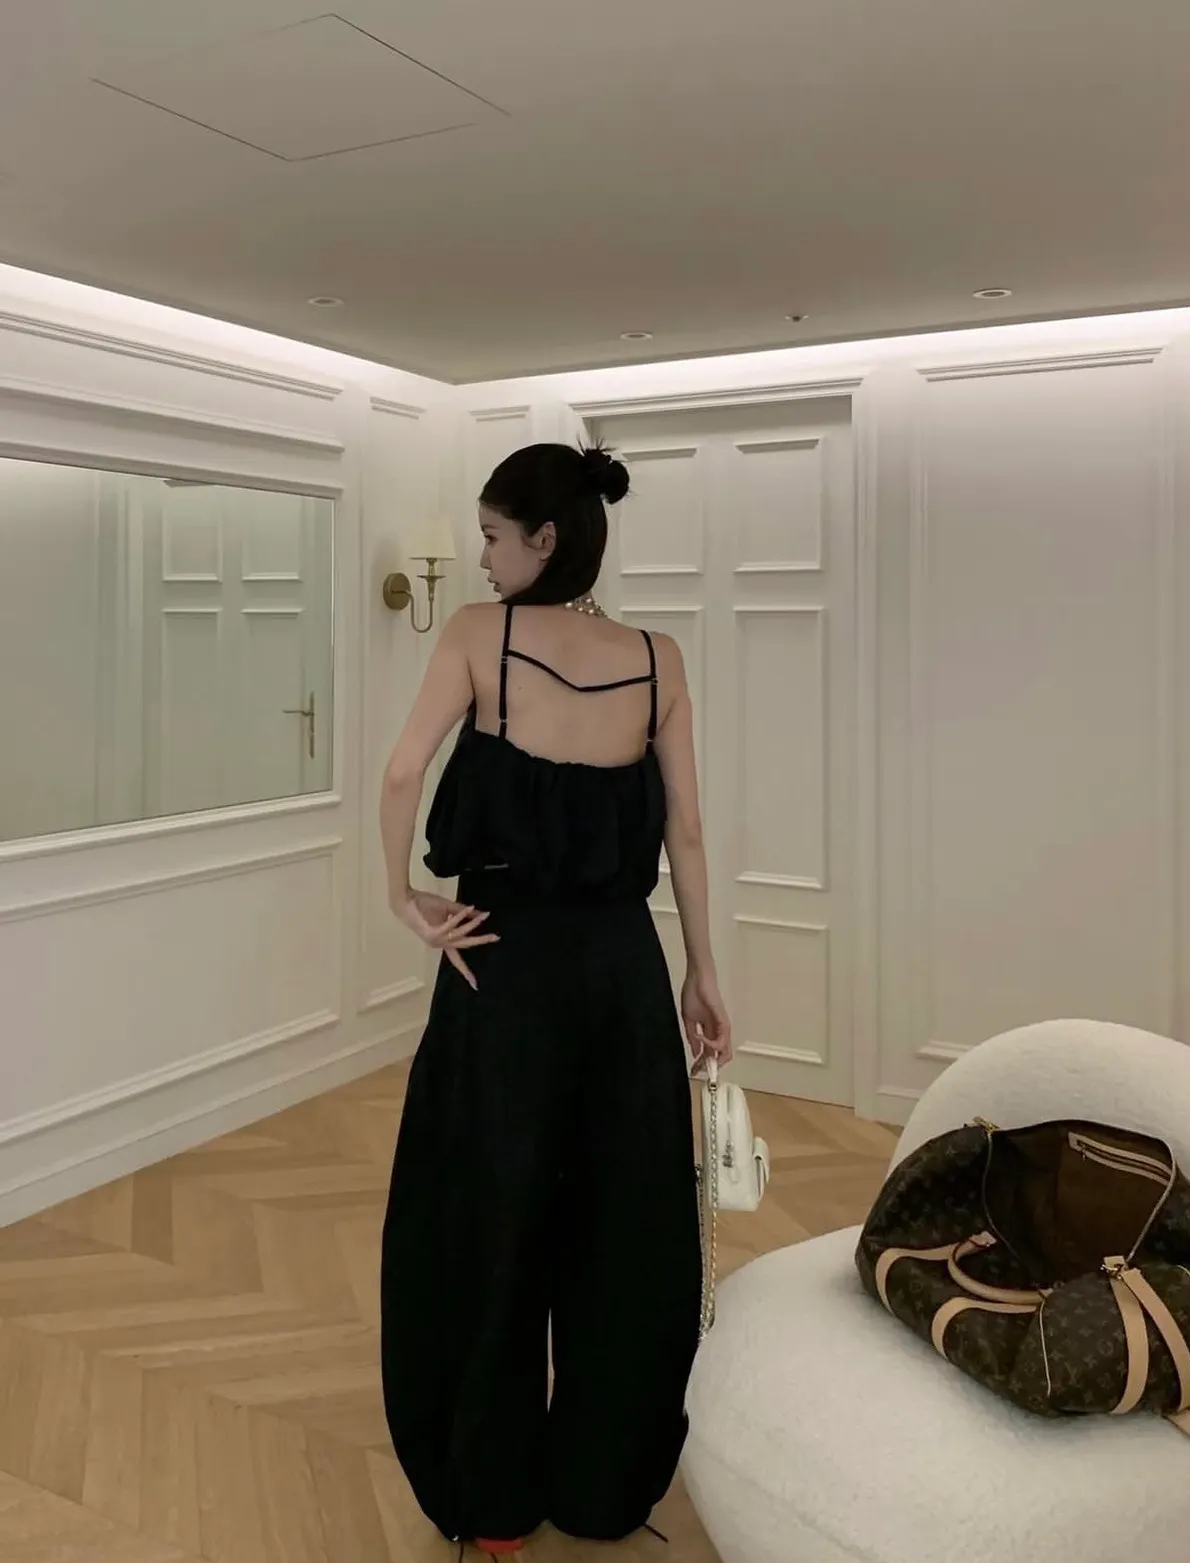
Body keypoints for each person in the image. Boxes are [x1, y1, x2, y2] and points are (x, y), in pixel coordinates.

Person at [378, 442, 732, 1559]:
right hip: (623, 972)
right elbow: (686, 832)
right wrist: (702, 972)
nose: (482, 557)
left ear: (544, 538)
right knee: (622, 1223)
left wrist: (402, 896)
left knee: (487, 1216)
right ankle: (600, 1487)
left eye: (492, 536)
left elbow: (400, 773)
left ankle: (491, 1503)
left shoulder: (478, 636)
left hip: (504, 966)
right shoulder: (659, 659)